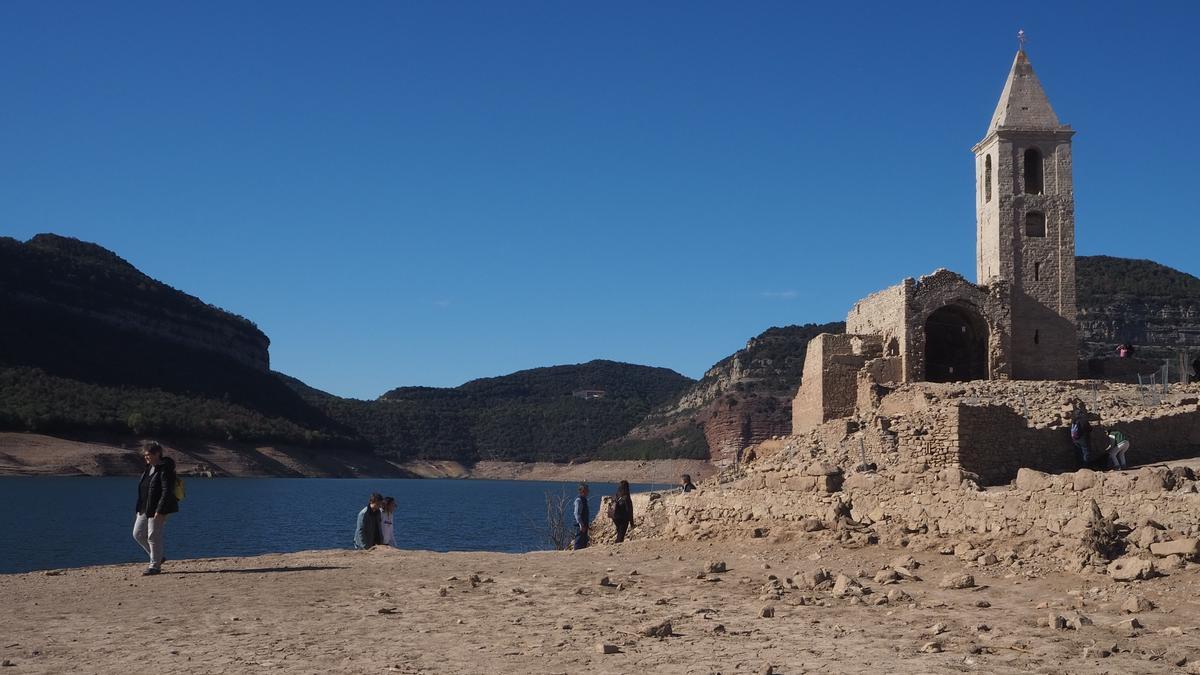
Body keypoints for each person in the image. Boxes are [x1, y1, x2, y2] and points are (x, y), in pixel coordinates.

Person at [132, 441, 179, 576]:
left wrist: (160, 510)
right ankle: (159, 557)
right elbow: (142, 490)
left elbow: (166, 490)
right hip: (144, 508)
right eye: (145, 455)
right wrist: (138, 509)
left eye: (149, 455)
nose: (146, 458)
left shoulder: (165, 468)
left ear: (157, 454)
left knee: (153, 536)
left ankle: (155, 566)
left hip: (158, 508)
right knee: (138, 534)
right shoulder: (148, 469)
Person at [572, 483, 590, 550]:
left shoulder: (584, 499)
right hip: (579, 525)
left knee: (584, 542)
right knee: (579, 542)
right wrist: (581, 525)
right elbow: (577, 514)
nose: (588, 492)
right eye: (587, 490)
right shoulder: (579, 500)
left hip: (584, 524)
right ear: (582, 491)